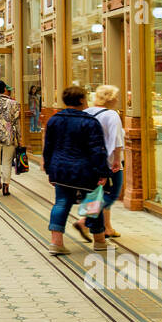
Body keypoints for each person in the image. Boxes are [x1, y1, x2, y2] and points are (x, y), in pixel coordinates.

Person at [42, 83, 111, 255]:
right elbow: (97, 149)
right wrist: (103, 172)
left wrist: (50, 169)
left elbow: (48, 147)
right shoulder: (90, 122)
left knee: (61, 202)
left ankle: (56, 243)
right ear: (81, 100)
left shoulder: (54, 120)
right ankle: (100, 241)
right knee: (93, 202)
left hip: (60, 169)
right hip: (86, 170)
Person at [85, 84, 125, 238]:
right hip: (109, 161)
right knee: (112, 194)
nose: (117, 100)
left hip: (91, 161)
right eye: (115, 97)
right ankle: (85, 220)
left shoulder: (88, 112)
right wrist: (117, 160)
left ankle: (106, 227)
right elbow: (116, 139)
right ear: (110, 98)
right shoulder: (112, 114)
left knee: (97, 194)